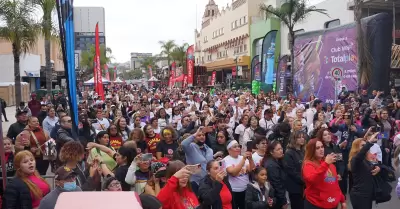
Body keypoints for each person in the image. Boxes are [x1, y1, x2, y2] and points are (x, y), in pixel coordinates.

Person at [302, 139, 345, 209]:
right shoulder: (308, 164)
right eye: (317, 148)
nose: (321, 149)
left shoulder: (330, 165)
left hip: (332, 203)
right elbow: (312, 179)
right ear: (312, 150)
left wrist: (342, 200)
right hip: (316, 204)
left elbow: (335, 184)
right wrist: (326, 164)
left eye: (322, 147)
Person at [348, 133, 384, 209]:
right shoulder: (355, 159)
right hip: (360, 195)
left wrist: (378, 168)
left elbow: (376, 164)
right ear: (356, 148)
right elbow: (360, 155)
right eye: (362, 145)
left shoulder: (366, 159)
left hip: (367, 193)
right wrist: (369, 142)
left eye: (365, 145)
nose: (365, 147)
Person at [181, 126, 214, 195]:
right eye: (199, 135)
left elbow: (208, 163)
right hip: (194, 183)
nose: (202, 137)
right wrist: (195, 134)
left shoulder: (209, 150)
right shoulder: (191, 147)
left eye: (203, 135)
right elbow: (183, 144)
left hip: (207, 182)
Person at [224, 140, 255, 209]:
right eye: (235, 147)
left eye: (238, 146)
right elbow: (233, 173)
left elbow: (251, 169)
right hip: (234, 190)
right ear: (229, 150)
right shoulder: (226, 160)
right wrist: (243, 159)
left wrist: (250, 159)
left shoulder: (241, 157)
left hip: (246, 189)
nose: (238, 148)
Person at [261, 141, 288, 209]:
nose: (281, 151)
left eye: (281, 148)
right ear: (271, 152)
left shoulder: (277, 161)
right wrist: (283, 201)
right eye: (278, 149)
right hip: (275, 198)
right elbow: (276, 184)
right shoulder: (271, 165)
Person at [283, 131, 305, 209]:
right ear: (294, 139)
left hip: (304, 186)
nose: (302, 139)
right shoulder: (289, 153)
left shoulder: (303, 151)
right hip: (295, 187)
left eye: (303, 137)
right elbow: (292, 172)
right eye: (299, 137)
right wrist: (304, 180)